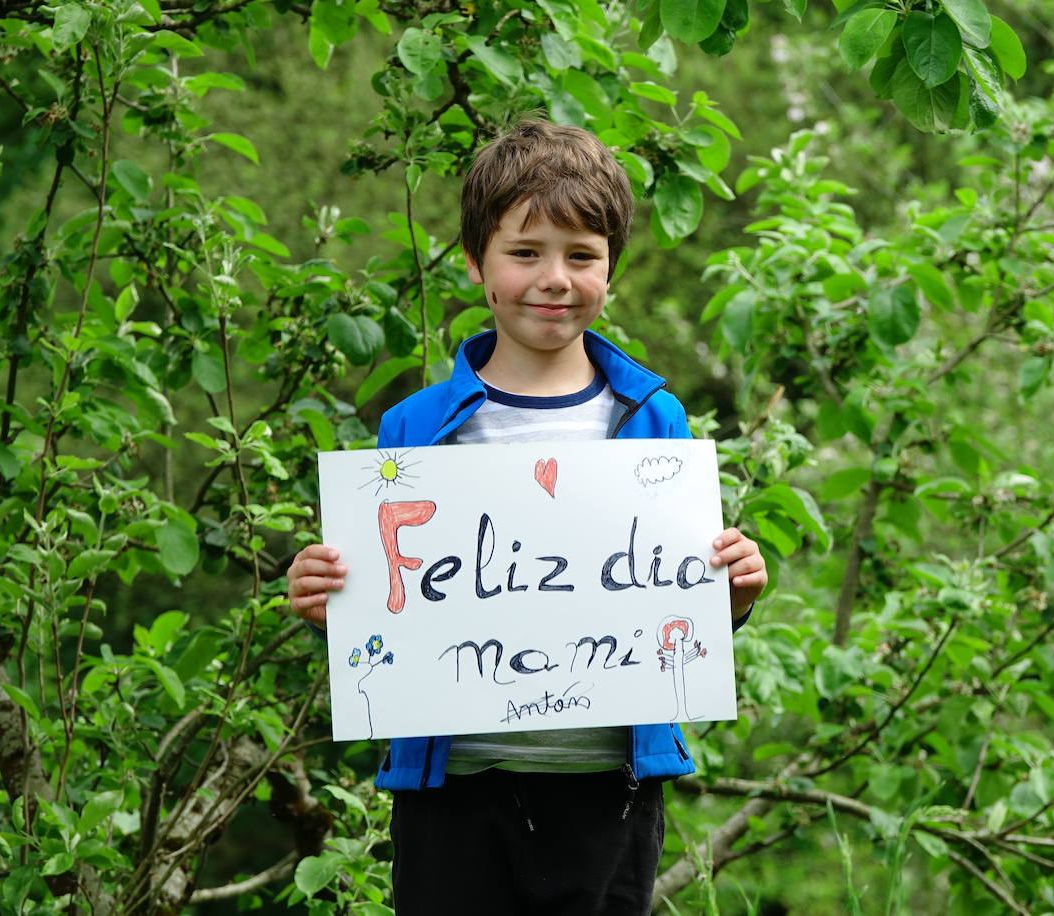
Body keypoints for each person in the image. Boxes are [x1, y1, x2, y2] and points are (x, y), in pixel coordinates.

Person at [286, 118, 767, 915]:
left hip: (608, 790)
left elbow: (682, 608)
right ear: (477, 264)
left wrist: (734, 595)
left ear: (611, 269)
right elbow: (383, 622)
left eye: (582, 256)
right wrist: (325, 601)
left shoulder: (655, 418)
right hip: (454, 794)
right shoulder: (414, 428)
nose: (555, 278)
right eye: (526, 253)